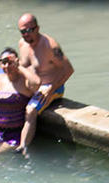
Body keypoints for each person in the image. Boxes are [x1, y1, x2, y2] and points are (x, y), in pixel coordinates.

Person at [16, 12, 74, 154]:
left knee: (30, 111)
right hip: (31, 85)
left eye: (30, 30)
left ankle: (23, 148)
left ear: (38, 28)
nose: (26, 34)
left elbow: (68, 70)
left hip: (50, 86)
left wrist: (51, 89)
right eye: (23, 31)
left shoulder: (50, 46)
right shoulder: (22, 44)